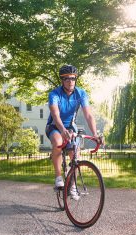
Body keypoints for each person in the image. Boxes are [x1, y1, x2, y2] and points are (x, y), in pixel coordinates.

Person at [45, 64, 100, 199]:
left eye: (73, 78)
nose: (70, 81)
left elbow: (88, 115)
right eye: (67, 79)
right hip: (54, 126)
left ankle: (73, 186)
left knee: (75, 154)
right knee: (58, 141)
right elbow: (56, 115)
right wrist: (62, 130)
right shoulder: (54, 94)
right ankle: (58, 177)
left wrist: (95, 134)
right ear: (62, 80)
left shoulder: (81, 93)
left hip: (71, 127)